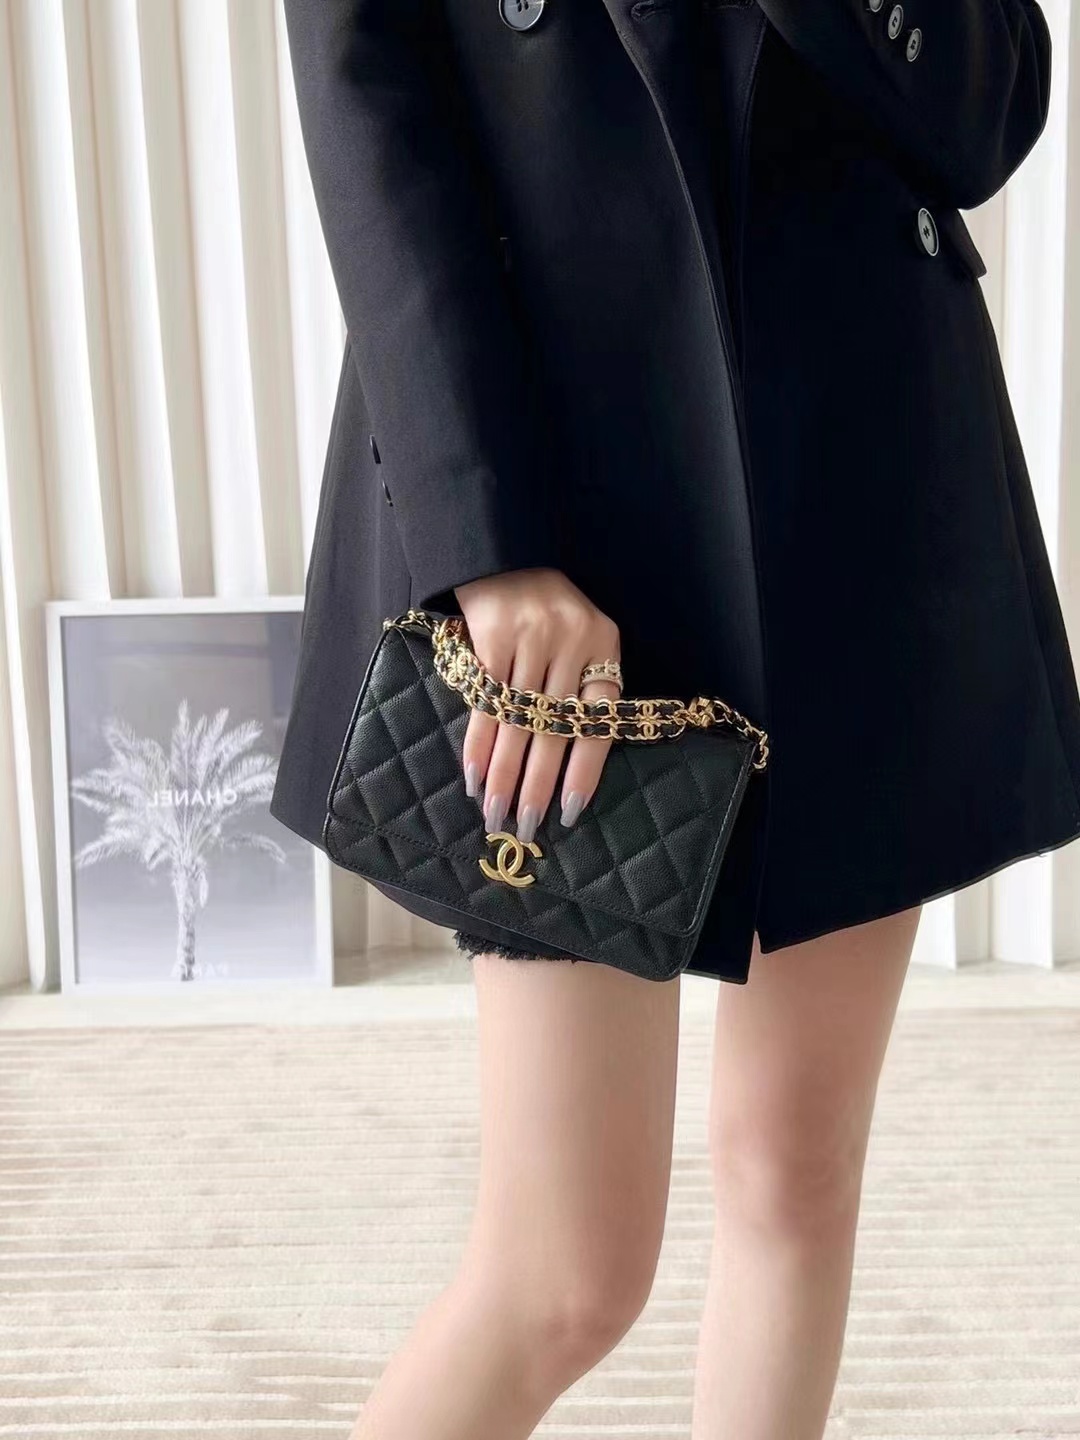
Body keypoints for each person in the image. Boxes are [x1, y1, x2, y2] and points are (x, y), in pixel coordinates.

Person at [270, 1, 1080, 1435]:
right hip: (565, 497)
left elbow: (987, 110)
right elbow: (368, 105)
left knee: (796, 1168)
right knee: (564, 1272)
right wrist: (488, 545)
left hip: (855, 468)